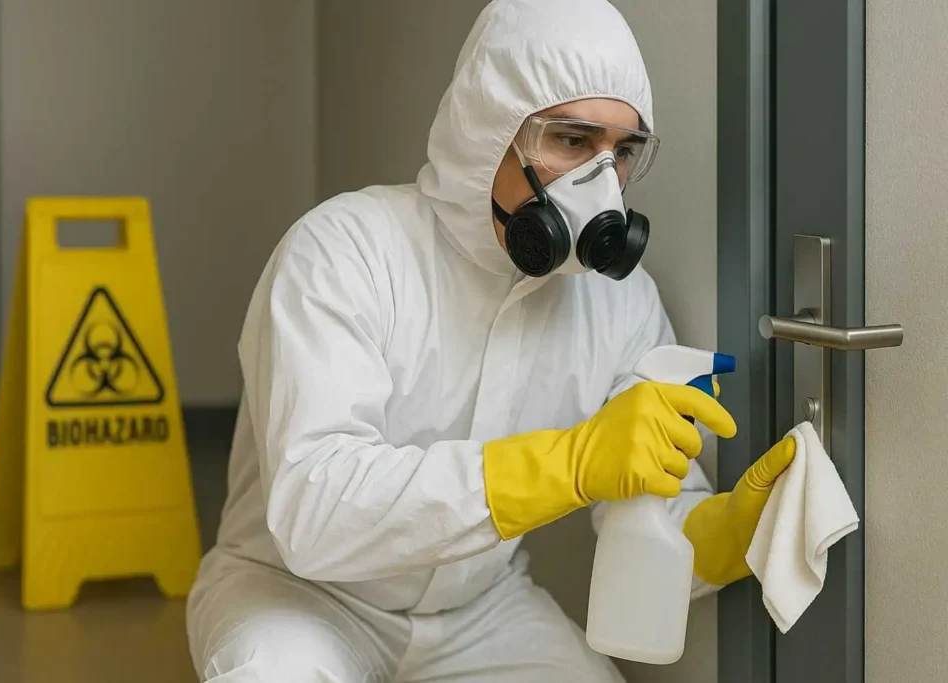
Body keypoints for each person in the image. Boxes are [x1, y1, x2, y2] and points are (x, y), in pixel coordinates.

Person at [185, 0, 796, 680]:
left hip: (482, 613)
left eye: (621, 152)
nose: (602, 184)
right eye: (572, 141)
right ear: (489, 131)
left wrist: (728, 531)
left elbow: (646, 515)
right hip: (300, 596)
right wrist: (565, 464)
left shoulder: (619, 302)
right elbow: (317, 510)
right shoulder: (343, 251)